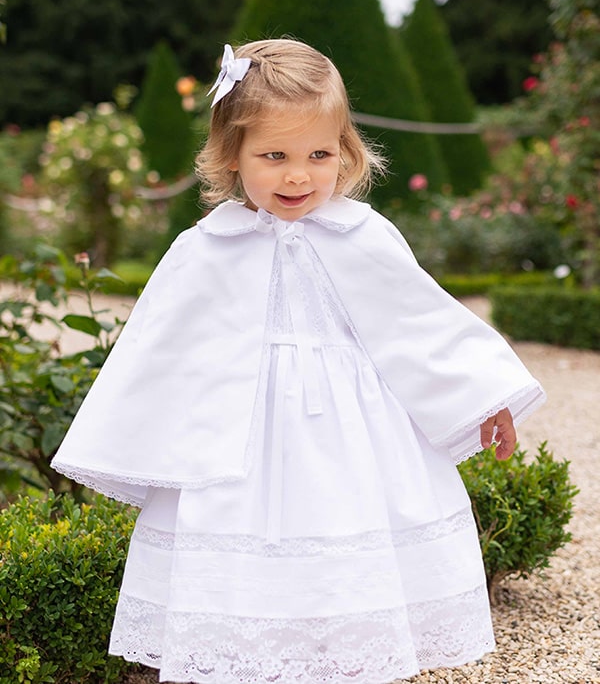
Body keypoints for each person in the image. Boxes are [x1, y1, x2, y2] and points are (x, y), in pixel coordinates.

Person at [52, 39, 546, 684]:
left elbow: (420, 324)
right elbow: (159, 350)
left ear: (345, 150)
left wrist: (486, 394)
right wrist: (131, 443)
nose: (298, 176)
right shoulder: (205, 248)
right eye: (274, 156)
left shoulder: (363, 235)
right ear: (232, 155)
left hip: (353, 449)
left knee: (346, 560)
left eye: (319, 155)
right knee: (242, 572)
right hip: (235, 455)